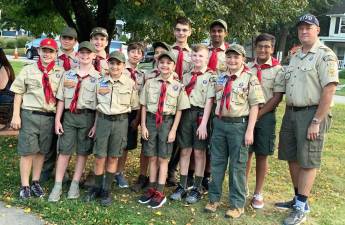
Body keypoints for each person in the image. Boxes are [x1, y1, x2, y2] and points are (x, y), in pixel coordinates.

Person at [275, 14, 338, 225]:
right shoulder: (296, 55)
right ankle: (298, 199)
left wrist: (317, 121)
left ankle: (301, 207)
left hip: (311, 114)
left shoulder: (324, 55)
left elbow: (329, 89)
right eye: (301, 27)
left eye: (308, 27)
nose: (304, 31)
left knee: (308, 160)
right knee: (292, 156)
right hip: (291, 112)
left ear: (317, 30)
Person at [203, 44, 265, 219]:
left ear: (243, 59)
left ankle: (237, 204)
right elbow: (212, 99)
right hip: (220, 124)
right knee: (217, 163)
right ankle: (213, 198)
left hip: (239, 126)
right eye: (229, 57)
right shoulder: (220, 78)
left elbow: (254, 106)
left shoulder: (249, 79)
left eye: (236, 57)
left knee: (237, 166)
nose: (232, 60)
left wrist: (250, 130)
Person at [10, 38, 63, 199]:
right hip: (30, 115)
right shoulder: (28, 70)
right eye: (44, 50)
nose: (47, 54)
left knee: (41, 151)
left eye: (50, 51)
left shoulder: (60, 73)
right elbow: (18, 92)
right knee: (27, 151)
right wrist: (16, 115)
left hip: (48, 117)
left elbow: (61, 97)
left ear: (55, 54)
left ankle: (35, 182)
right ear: (38, 51)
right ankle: (25, 185)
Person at [85, 51, 139, 206]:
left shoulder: (130, 83)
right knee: (100, 156)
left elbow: (134, 105)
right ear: (107, 64)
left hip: (120, 122)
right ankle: (96, 187)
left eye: (118, 63)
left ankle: (106, 189)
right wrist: (95, 125)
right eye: (112, 63)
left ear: (123, 65)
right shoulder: (100, 81)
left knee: (113, 156)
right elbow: (96, 106)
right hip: (102, 121)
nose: (115, 66)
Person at [48, 41, 99, 202]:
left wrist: (96, 124)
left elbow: (100, 104)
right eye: (82, 53)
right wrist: (58, 120)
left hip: (87, 117)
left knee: (83, 152)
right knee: (64, 151)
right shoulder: (68, 74)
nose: (84, 56)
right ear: (77, 55)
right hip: (69, 117)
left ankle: (75, 183)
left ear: (94, 56)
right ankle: (57, 184)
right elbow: (61, 100)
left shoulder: (99, 78)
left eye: (88, 53)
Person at [138, 51, 190, 208]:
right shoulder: (150, 83)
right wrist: (144, 126)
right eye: (162, 62)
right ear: (157, 64)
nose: (165, 65)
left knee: (163, 158)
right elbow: (144, 105)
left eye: (168, 63)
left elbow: (180, 110)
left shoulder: (178, 86)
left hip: (167, 122)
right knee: (152, 157)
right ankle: (151, 188)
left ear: (174, 66)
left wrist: (174, 130)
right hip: (151, 121)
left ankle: (160, 191)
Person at [245, 33, 284, 209]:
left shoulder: (278, 70)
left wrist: (258, 115)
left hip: (266, 117)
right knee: (245, 153)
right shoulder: (246, 67)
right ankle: (242, 187)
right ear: (255, 47)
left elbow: (276, 97)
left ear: (272, 49)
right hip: (245, 115)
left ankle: (258, 192)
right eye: (260, 46)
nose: (263, 49)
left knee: (262, 154)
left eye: (267, 46)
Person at [170, 44, 213, 204]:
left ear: (206, 58)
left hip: (201, 115)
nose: (197, 58)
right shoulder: (186, 77)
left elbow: (209, 101)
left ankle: (197, 187)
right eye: (194, 56)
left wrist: (204, 124)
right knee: (185, 150)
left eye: (201, 56)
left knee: (199, 152)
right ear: (191, 57)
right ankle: (182, 185)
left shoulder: (211, 76)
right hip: (186, 114)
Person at [130, 41, 172, 193]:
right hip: (148, 118)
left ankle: (158, 181)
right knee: (146, 148)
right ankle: (143, 176)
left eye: (163, 52)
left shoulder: (173, 78)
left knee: (162, 151)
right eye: (157, 52)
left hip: (164, 119)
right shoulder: (147, 76)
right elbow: (143, 100)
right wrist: (139, 120)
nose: (159, 55)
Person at [41, 26, 79, 183]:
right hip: (52, 103)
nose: (67, 40)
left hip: (71, 105)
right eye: (64, 37)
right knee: (50, 139)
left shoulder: (80, 59)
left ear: (75, 41)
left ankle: (64, 170)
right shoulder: (52, 57)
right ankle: (46, 168)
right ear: (60, 39)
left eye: (70, 38)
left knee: (67, 140)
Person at [115, 42, 145, 188]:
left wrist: (138, 118)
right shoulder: (119, 69)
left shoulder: (142, 75)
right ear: (128, 53)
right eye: (133, 51)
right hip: (118, 110)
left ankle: (119, 172)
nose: (135, 54)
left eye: (139, 52)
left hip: (133, 112)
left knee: (126, 145)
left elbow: (141, 98)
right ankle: (107, 171)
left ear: (142, 56)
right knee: (114, 142)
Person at [167, 16, 193, 186]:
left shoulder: (194, 55)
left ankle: (171, 169)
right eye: (178, 29)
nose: (181, 33)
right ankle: (159, 170)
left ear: (189, 32)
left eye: (184, 30)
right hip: (167, 99)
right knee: (165, 135)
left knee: (181, 137)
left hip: (185, 101)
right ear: (174, 31)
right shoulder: (167, 51)